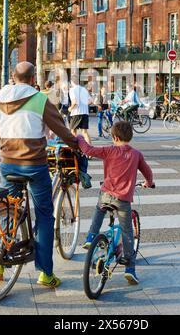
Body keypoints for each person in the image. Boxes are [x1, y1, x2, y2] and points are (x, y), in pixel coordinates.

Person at [0, 62, 78, 288]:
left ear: (13, 76)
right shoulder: (40, 99)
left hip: (8, 164)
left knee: (8, 211)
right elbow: (60, 128)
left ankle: (0, 263)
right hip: (35, 165)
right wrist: (77, 144)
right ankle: (45, 273)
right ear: (32, 79)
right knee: (44, 214)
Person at [77, 121, 154, 285]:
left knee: (99, 210)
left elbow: (88, 150)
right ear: (130, 136)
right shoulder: (136, 154)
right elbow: (147, 172)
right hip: (123, 200)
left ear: (114, 137)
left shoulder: (109, 150)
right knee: (127, 232)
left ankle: (91, 236)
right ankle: (129, 269)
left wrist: (79, 138)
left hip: (106, 194)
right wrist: (149, 182)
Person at [69, 75, 93, 144]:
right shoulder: (84, 89)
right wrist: (84, 104)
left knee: (73, 131)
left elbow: (74, 102)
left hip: (76, 113)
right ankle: (90, 150)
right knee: (84, 132)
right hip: (85, 112)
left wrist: (70, 108)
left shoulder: (72, 90)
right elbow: (91, 101)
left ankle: (74, 149)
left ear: (71, 82)